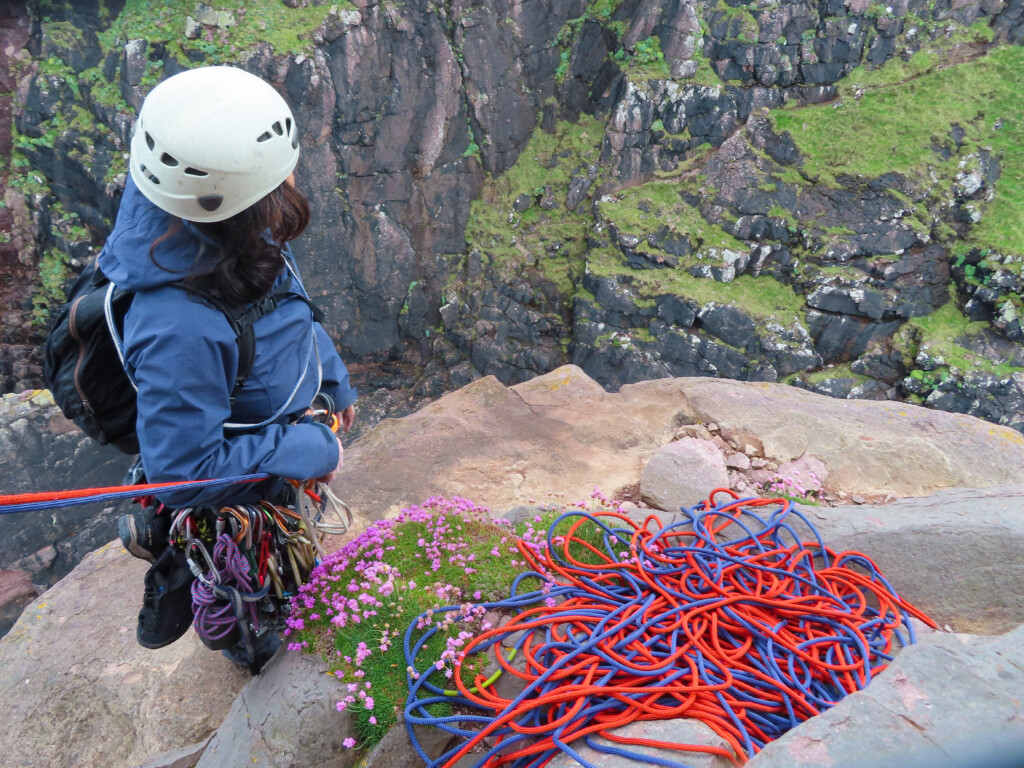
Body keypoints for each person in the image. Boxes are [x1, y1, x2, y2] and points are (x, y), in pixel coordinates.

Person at [99, 65, 357, 671]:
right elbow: (184, 474)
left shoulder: (228, 223)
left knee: (284, 549)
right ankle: (250, 645)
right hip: (232, 493)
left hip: (268, 438)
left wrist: (333, 376)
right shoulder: (178, 326)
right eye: (277, 174)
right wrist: (307, 450)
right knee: (246, 585)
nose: (292, 175)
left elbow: (286, 312)